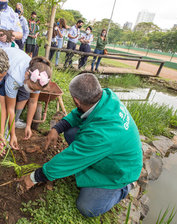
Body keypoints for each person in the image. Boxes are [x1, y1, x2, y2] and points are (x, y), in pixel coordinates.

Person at [21, 73, 143, 218]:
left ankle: (126, 187)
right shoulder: (106, 97)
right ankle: (89, 164)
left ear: (76, 100)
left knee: (87, 207)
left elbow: (69, 159)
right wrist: (57, 128)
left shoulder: (100, 135)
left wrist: (34, 177)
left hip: (120, 170)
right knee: (71, 132)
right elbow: (78, 114)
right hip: (111, 150)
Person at [1, 48, 52, 149]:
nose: (33, 92)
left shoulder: (38, 79)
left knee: (25, 96)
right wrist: (13, 135)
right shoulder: (14, 78)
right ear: (27, 75)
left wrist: (28, 125)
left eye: (36, 90)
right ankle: (5, 132)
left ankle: (14, 122)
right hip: (4, 62)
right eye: (33, 88)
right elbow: (10, 108)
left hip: (23, 76)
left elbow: (33, 101)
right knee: (2, 100)